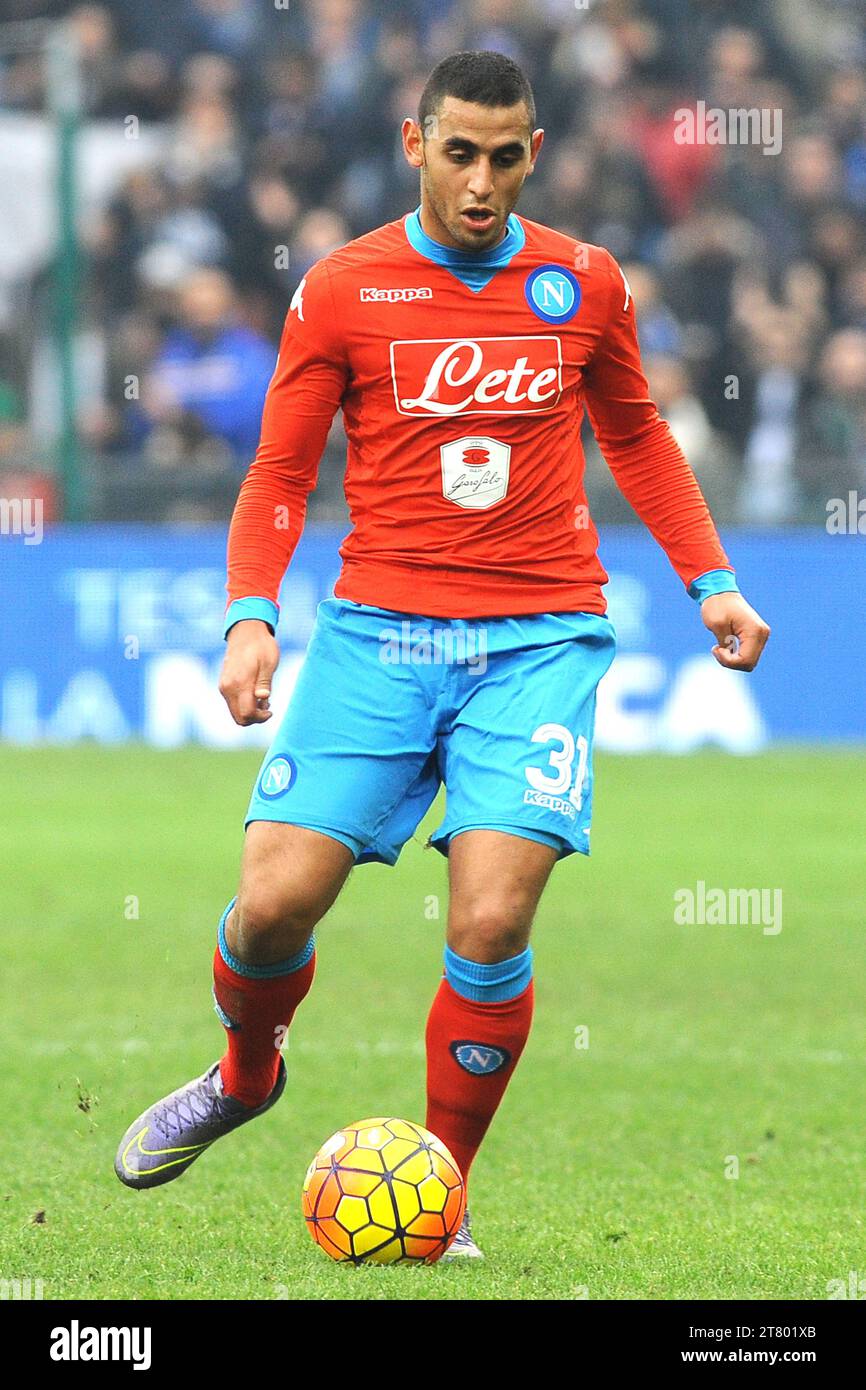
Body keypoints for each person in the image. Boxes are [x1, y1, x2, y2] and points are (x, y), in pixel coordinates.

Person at [114, 50, 770, 1260]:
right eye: (458, 153)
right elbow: (276, 469)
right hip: (376, 636)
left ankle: (438, 1193)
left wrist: (712, 582)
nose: (481, 182)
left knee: (487, 919)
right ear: (416, 146)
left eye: (505, 155)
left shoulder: (584, 282)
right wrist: (250, 612)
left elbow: (636, 436)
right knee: (268, 910)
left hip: (539, 640)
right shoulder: (343, 289)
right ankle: (246, 1073)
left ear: (533, 152)